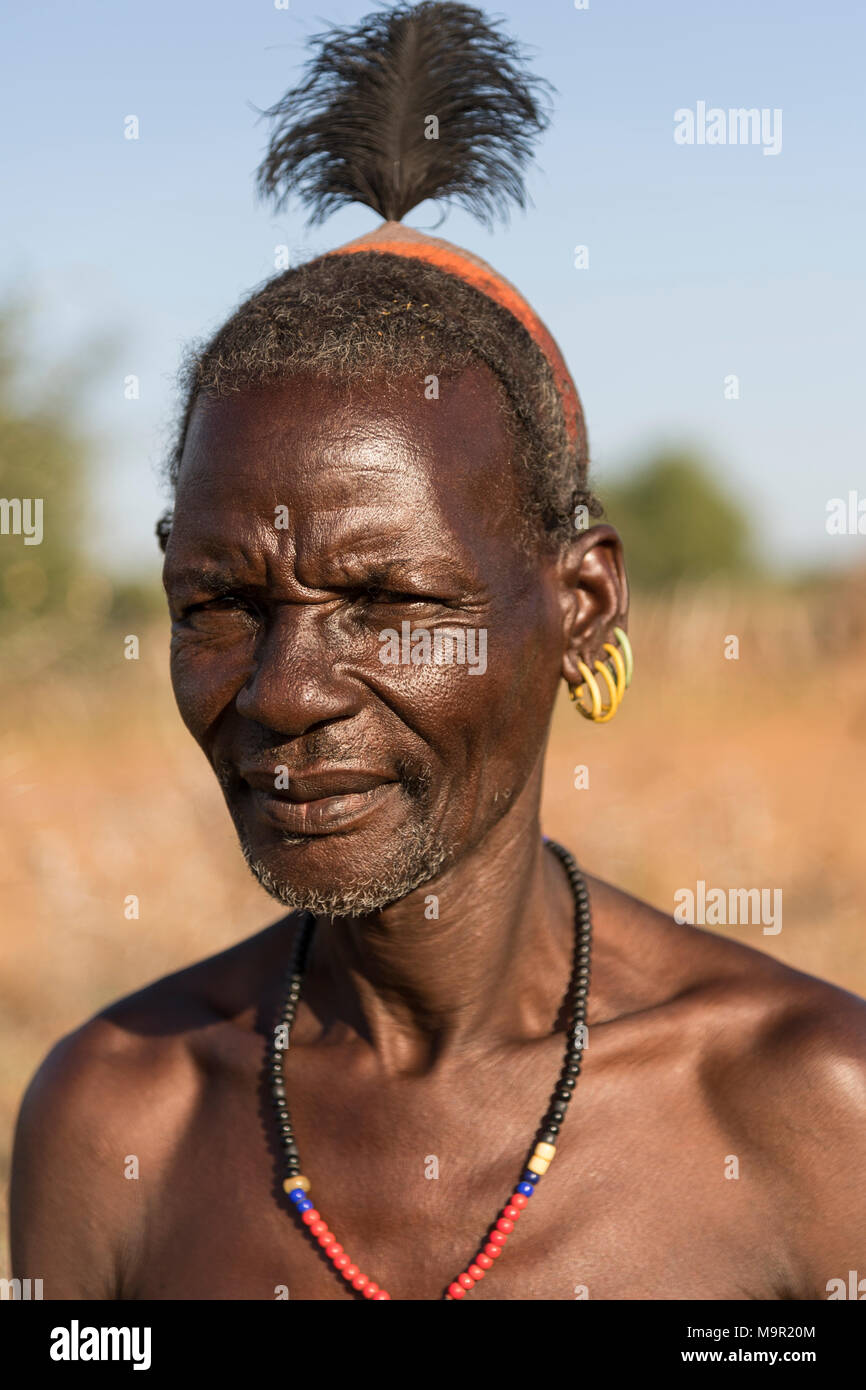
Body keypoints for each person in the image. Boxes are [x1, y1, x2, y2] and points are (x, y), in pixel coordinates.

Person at [10, 1, 866, 1301]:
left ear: (581, 603)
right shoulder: (119, 1117)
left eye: (388, 601)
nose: (283, 692)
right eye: (218, 602)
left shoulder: (802, 1110)